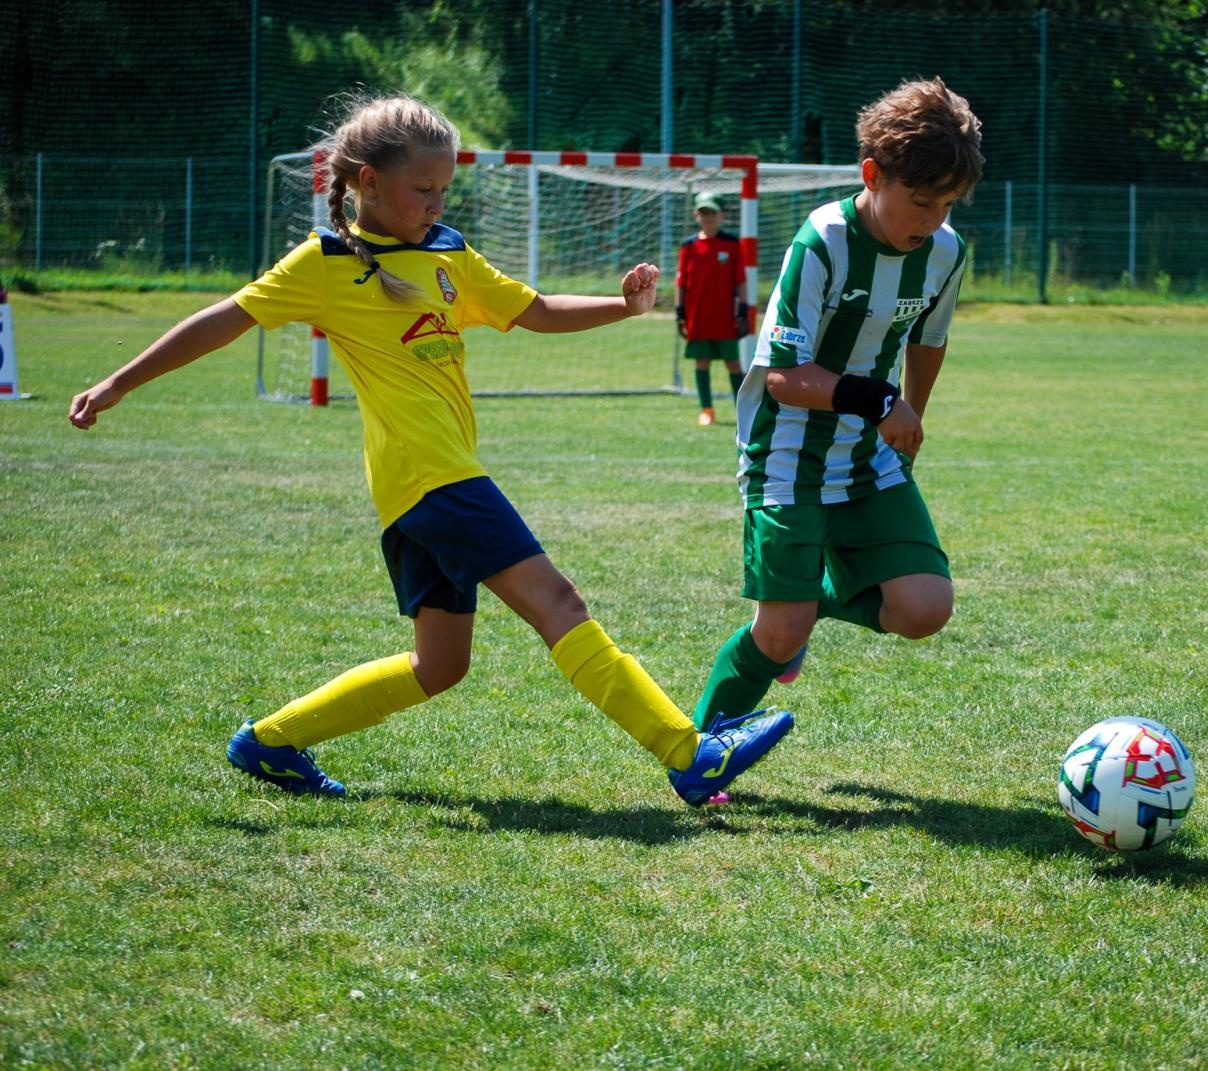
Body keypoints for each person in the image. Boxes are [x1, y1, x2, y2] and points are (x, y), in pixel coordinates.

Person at [67, 94, 792, 806]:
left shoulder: (449, 254)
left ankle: (270, 741)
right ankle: (687, 752)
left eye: (445, 188)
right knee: (558, 603)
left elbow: (533, 310)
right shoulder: (324, 263)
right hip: (433, 479)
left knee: (440, 664)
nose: (437, 203)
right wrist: (118, 382)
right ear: (367, 183)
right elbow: (223, 320)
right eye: (423, 189)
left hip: (419, 489)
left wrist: (623, 306)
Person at [691, 77, 984, 734]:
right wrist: (881, 400)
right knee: (776, 634)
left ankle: (812, 603)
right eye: (920, 200)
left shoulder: (946, 251)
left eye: (949, 203)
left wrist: (911, 414)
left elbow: (929, 339)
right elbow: (784, 379)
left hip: (869, 453)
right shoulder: (821, 240)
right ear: (872, 174)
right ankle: (699, 752)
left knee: (925, 607)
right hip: (788, 452)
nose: (934, 218)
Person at [676, 193, 748, 426]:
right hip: (698, 317)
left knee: (734, 364)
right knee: (702, 362)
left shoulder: (731, 244)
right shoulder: (689, 246)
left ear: (722, 215)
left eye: (712, 213)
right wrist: (680, 313)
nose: (708, 218)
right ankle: (706, 410)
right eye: (703, 213)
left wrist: (744, 311)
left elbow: (740, 281)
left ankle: (743, 410)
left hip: (725, 317)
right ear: (696, 215)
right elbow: (681, 284)